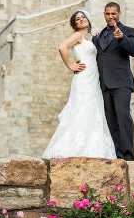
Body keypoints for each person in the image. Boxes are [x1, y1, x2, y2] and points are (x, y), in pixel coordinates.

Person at [42, 10, 116, 159]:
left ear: (88, 19)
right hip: (83, 79)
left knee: (93, 109)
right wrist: (71, 65)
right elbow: (62, 47)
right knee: (82, 107)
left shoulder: (88, 38)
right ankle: (77, 147)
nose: (81, 19)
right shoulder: (77, 35)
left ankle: (92, 147)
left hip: (93, 79)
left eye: (83, 17)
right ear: (75, 24)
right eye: (77, 19)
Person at [92, 2, 134, 161]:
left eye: (114, 13)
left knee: (123, 117)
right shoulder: (98, 36)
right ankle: (118, 154)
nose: (111, 16)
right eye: (107, 13)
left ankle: (129, 156)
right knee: (111, 120)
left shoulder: (129, 31)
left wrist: (122, 39)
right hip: (104, 85)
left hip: (121, 83)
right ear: (104, 14)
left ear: (119, 14)